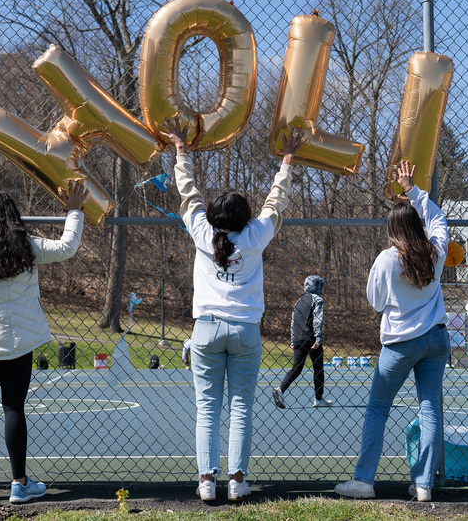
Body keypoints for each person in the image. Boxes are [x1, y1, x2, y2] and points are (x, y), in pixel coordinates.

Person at [162, 116, 305, 502]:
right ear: (245, 217)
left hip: (206, 330)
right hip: (245, 332)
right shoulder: (256, 235)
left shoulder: (201, 232)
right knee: (241, 407)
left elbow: (188, 193)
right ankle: (238, 481)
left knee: (206, 409)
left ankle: (207, 482)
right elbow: (277, 200)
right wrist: (287, 160)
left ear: (214, 218)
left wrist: (181, 150)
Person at [0, 181, 88, 504]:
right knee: (13, 407)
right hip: (18, 342)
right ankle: (19, 484)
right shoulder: (25, 246)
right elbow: (67, 247)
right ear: (13, 216)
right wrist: (74, 210)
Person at [334, 159, 450, 503]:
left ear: (391, 230)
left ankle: (364, 480)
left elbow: (375, 301)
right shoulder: (436, 251)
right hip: (436, 339)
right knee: (430, 410)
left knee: (377, 409)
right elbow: (438, 218)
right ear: (417, 225)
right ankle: (424, 484)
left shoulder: (388, 259)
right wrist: (411, 189)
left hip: (400, 344)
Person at [272, 275, 332, 408]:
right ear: (317, 286)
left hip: (299, 338)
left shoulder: (299, 301)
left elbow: (293, 322)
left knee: (297, 368)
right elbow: (317, 320)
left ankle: (281, 390)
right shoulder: (317, 300)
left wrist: (293, 339)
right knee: (318, 368)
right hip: (311, 338)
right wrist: (318, 338)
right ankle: (318, 398)